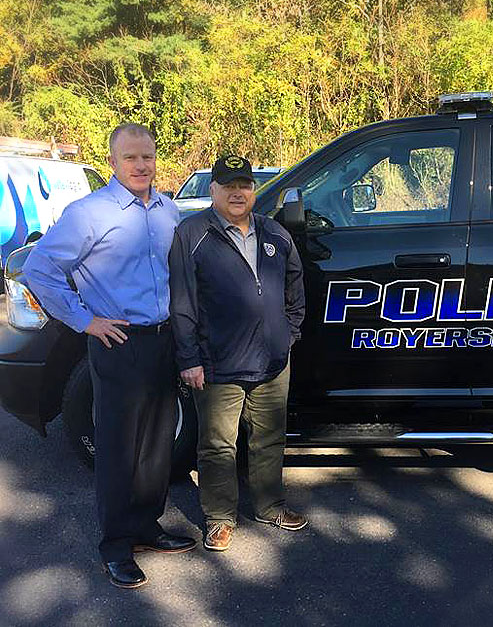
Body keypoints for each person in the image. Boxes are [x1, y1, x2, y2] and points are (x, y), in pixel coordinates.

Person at [24, 123, 196, 589]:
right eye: (130, 158)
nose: (141, 165)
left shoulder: (167, 210)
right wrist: (84, 321)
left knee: (157, 442)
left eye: (148, 157)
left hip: (163, 339)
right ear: (113, 162)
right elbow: (39, 269)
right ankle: (115, 546)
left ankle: (145, 527)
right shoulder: (89, 213)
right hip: (117, 342)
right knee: (119, 448)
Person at [169, 154, 306, 552]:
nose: (237, 192)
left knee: (269, 439)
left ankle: (270, 505)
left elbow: (295, 285)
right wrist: (189, 359)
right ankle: (219, 518)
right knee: (216, 446)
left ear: (252, 189)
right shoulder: (191, 234)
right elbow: (181, 302)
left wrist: (288, 333)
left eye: (244, 185)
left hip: (272, 361)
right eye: (228, 185)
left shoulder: (275, 234)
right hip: (216, 365)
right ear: (213, 190)